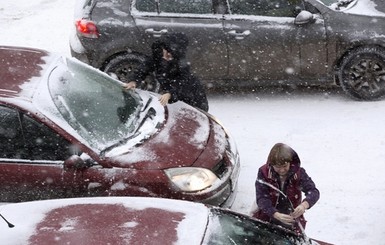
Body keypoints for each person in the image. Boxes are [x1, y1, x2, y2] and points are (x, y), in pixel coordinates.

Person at [123, 33, 209, 112]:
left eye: (171, 55)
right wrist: (133, 80)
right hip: (174, 99)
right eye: (166, 52)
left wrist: (170, 93)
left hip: (192, 98)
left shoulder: (182, 66)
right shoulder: (157, 57)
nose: (167, 57)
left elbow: (181, 84)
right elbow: (143, 68)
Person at [251, 143, 320, 234]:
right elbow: (262, 198)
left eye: (285, 166)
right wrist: (274, 214)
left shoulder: (299, 173)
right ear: (271, 164)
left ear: (290, 162)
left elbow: (313, 191)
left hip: (291, 220)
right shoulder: (264, 173)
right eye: (278, 167)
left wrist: (304, 205)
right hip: (267, 218)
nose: (282, 170)